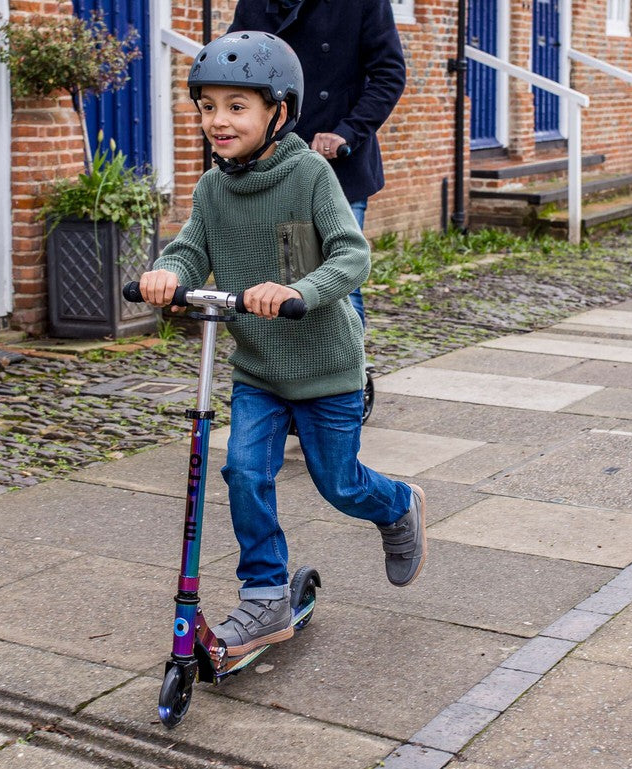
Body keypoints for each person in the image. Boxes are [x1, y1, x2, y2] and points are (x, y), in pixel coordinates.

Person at [140, 32, 425, 657]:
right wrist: (169, 274)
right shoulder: (213, 188)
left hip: (326, 370)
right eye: (208, 105)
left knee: (339, 484)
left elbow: (351, 255)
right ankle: (265, 594)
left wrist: (298, 288)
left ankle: (398, 505)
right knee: (244, 471)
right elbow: (192, 248)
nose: (218, 120)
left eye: (237, 106)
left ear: (278, 112)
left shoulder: (309, 175)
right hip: (259, 370)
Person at [228, 0, 406, 325]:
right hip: (268, 163)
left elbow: (388, 75)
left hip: (336, 165)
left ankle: (350, 372)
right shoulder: (255, 4)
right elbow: (232, 70)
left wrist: (347, 133)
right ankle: (279, 369)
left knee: (338, 277)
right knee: (270, 279)